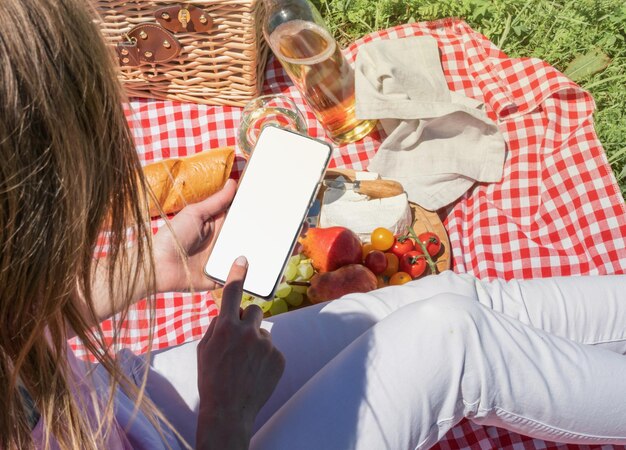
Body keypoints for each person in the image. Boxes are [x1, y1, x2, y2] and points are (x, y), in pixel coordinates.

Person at [1, 1, 625, 450]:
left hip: (116, 410)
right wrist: (225, 419)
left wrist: (142, 270)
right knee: (453, 340)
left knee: (447, 295)